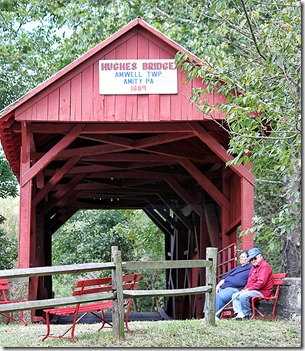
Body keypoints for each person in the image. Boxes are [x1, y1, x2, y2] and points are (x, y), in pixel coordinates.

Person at [231, 247, 273, 320]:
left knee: (243, 296)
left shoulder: (264, 266)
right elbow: (250, 282)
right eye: (251, 259)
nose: (253, 261)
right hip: (254, 290)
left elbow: (261, 283)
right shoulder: (253, 267)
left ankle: (247, 314)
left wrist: (248, 290)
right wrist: (244, 289)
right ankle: (239, 314)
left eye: (255, 258)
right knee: (235, 295)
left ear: (260, 256)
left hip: (262, 291)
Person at [214, 250, 251, 318]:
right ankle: (207, 316)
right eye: (240, 257)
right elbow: (224, 278)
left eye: (243, 257)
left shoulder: (250, 268)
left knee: (220, 296)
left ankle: (215, 316)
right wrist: (218, 285)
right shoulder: (237, 268)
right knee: (211, 296)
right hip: (224, 287)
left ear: (248, 258)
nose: (241, 258)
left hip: (235, 289)